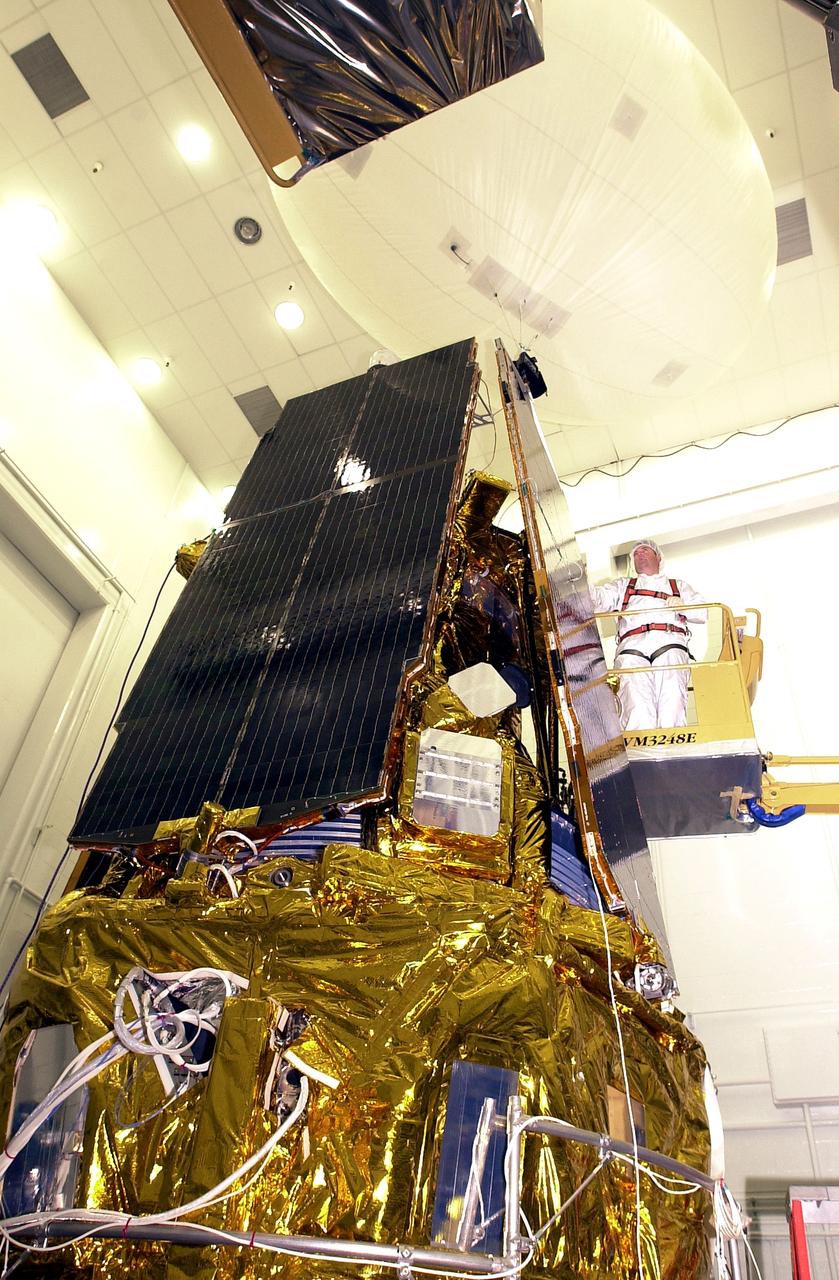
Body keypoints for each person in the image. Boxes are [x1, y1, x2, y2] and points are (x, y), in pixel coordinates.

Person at [589, 540, 704, 731]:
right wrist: (580, 579)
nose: (639, 554)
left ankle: (673, 746)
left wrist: (683, 605)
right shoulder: (623, 586)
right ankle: (642, 752)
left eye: (645, 550)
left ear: (658, 557)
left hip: (669, 643)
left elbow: (702, 614)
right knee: (635, 702)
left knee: (672, 697)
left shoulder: (678, 586)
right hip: (632, 648)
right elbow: (598, 600)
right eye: (635, 553)